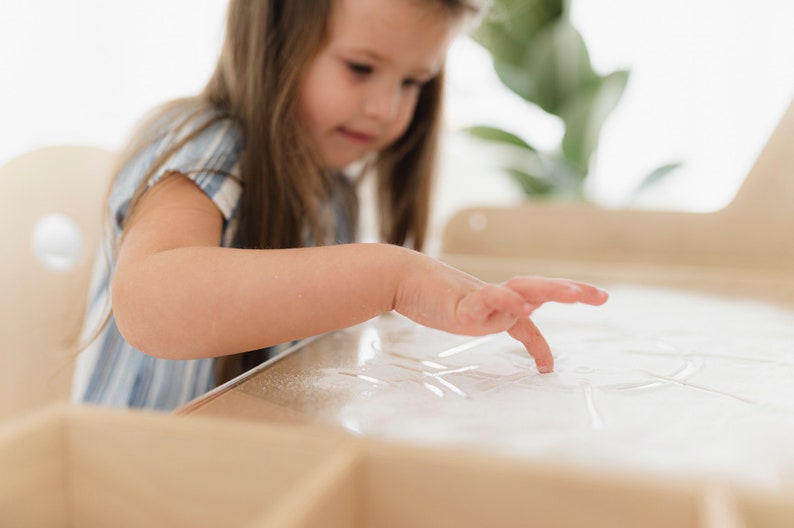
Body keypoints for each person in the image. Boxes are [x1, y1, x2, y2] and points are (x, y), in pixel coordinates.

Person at [74, 0, 608, 412]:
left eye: (413, 82)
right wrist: (391, 277)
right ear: (274, 36)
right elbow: (151, 307)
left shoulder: (336, 193)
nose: (386, 107)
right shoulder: (203, 144)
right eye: (360, 68)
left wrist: (456, 299)